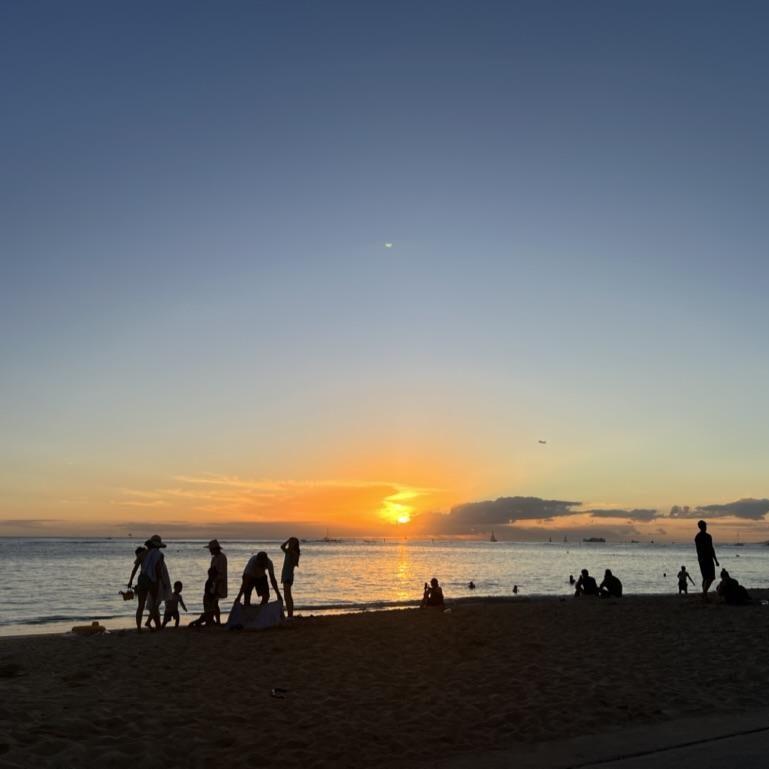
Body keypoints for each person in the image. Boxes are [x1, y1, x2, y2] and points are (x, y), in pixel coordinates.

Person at [135, 535, 166, 632]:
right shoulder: (159, 555)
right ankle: (155, 624)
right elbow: (158, 570)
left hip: (142, 579)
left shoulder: (143, 554)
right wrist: (163, 581)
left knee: (140, 605)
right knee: (155, 604)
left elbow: (135, 568)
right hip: (153, 581)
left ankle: (139, 628)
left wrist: (130, 581)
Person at [695, 520, 719, 599]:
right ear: (700, 527)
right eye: (704, 526)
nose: (705, 527)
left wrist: (715, 560)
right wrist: (700, 558)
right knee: (706, 577)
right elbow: (698, 549)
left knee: (710, 577)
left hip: (709, 558)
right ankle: (704, 593)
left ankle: (704, 593)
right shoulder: (698, 537)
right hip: (703, 559)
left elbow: (711, 548)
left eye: (705, 526)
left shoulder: (708, 536)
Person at [205, 539, 228, 625]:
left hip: (219, 583)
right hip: (214, 583)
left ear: (215, 549)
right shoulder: (214, 558)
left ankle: (217, 621)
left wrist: (216, 585)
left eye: (211, 549)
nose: (210, 551)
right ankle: (214, 620)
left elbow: (220, 573)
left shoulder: (222, 558)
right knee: (213, 602)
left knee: (214, 602)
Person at [280, 537, 301, 618]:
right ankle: (289, 614)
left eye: (292, 542)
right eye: (290, 542)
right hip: (285, 575)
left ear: (295, 544)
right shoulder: (288, 552)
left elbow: (295, 562)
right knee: (286, 595)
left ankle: (290, 614)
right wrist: (288, 540)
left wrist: (290, 544)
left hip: (288, 575)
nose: (290, 544)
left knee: (288, 595)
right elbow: (282, 546)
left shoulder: (293, 553)